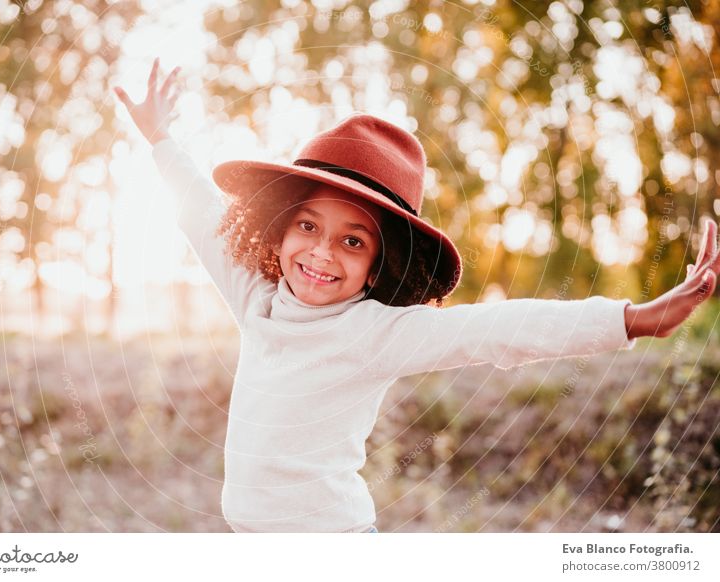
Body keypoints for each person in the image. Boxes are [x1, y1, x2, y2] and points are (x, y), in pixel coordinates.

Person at [113, 58, 720, 533]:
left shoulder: (374, 332)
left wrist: (634, 319)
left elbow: (498, 329)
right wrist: (160, 137)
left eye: (353, 243)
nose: (322, 253)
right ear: (279, 228)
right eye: (308, 227)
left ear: (379, 266)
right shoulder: (257, 299)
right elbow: (198, 209)